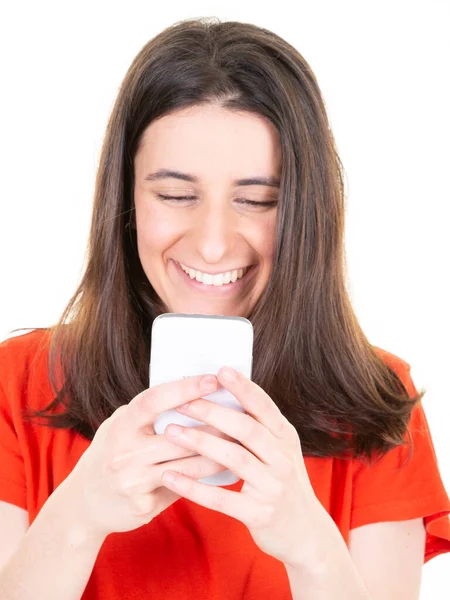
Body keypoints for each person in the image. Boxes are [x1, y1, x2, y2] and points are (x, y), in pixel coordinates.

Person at [0, 16, 449, 600]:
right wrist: (77, 519)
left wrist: (310, 548)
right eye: (176, 196)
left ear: (306, 212)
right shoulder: (19, 383)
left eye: (257, 199)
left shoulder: (377, 400)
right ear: (126, 198)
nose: (213, 243)